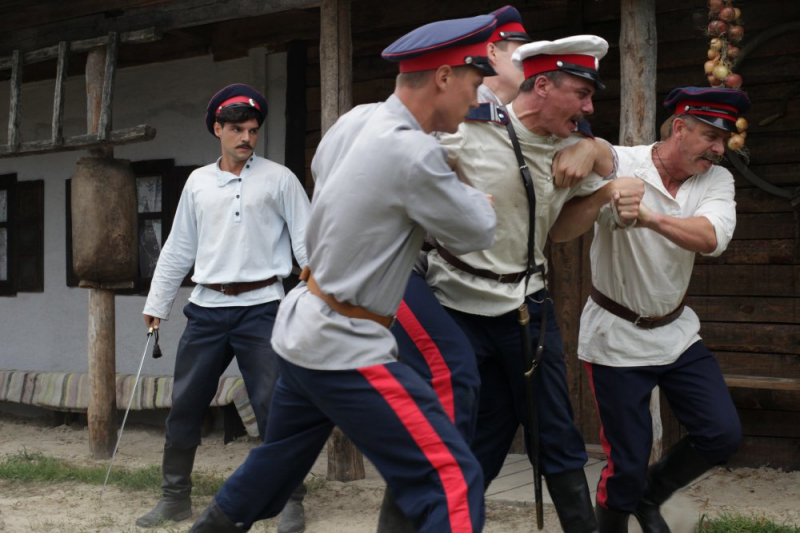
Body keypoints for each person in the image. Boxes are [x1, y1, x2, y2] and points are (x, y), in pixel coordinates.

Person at [188, 15, 499, 533]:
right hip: (345, 341)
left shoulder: (358, 119)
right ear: (443, 77)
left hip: (303, 324)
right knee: (452, 477)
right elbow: (477, 231)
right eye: (474, 81)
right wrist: (473, 194)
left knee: (275, 465)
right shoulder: (414, 152)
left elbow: (322, 170)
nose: (476, 96)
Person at [424, 36, 642, 532]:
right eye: (582, 94)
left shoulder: (572, 143)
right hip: (455, 310)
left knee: (558, 439)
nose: (589, 107)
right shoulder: (468, 127)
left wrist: (601, 172)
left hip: (526, 312)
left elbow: (561, 231)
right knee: (458, 436)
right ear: (542, 85)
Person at [550, 87, 750, 533]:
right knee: (627, 461)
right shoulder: (624, 163)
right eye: (710, 136)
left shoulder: (716, 179)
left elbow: (712, 239)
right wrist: (596, 173)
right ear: (679, 127)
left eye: (724, 139)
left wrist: (647, 216)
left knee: (721, 435)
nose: (719, 149)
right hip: (616, 337)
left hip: (676, 332)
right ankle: (616, 522)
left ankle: (649, 497)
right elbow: (562, 229)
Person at [138, 83, 311, 533]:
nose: (246, 138)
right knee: (185, 405)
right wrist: (158, 303)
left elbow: (308, 244)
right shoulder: (197, 182)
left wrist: (318, 297)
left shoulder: (280, 178)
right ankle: (174, 498)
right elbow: (178, 248)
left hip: (264, 308)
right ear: (218, 128)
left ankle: (289, 500)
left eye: (252, 130)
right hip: (207, 308)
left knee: (275, 405)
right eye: (236, 129)